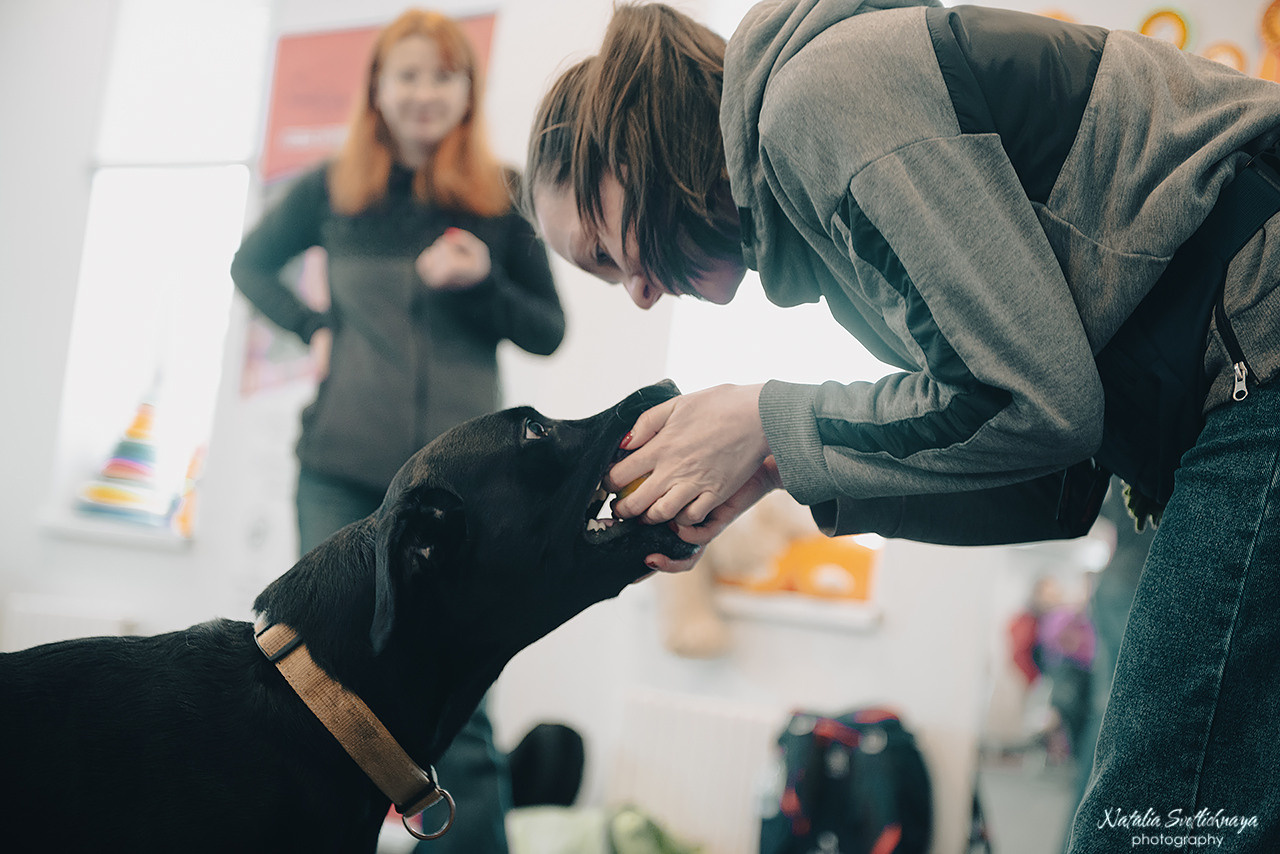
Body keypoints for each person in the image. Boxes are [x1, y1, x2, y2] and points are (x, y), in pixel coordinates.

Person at [522, 2, 1280, 851]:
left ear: (628, 147)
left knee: (1153, 823)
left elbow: (1035, 402)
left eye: (600, 247)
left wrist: (770, 419)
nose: (636, 291)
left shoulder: (819, 97)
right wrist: (778, 464)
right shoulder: (826, 228)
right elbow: (1051, 481)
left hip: (1259, 338)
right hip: (1230, 380)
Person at [233, 9, 565, 851]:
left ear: (466, 91)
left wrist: (485, 277)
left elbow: (547, 329)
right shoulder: (331, 190)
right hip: (339, 471)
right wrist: (314, 326)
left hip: (460, 499)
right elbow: (250, 264)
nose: (424, 92)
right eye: (407, 74)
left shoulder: (499, 194)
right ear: (378, 89)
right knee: (320, 690)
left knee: (464, 707)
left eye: (442, 76)